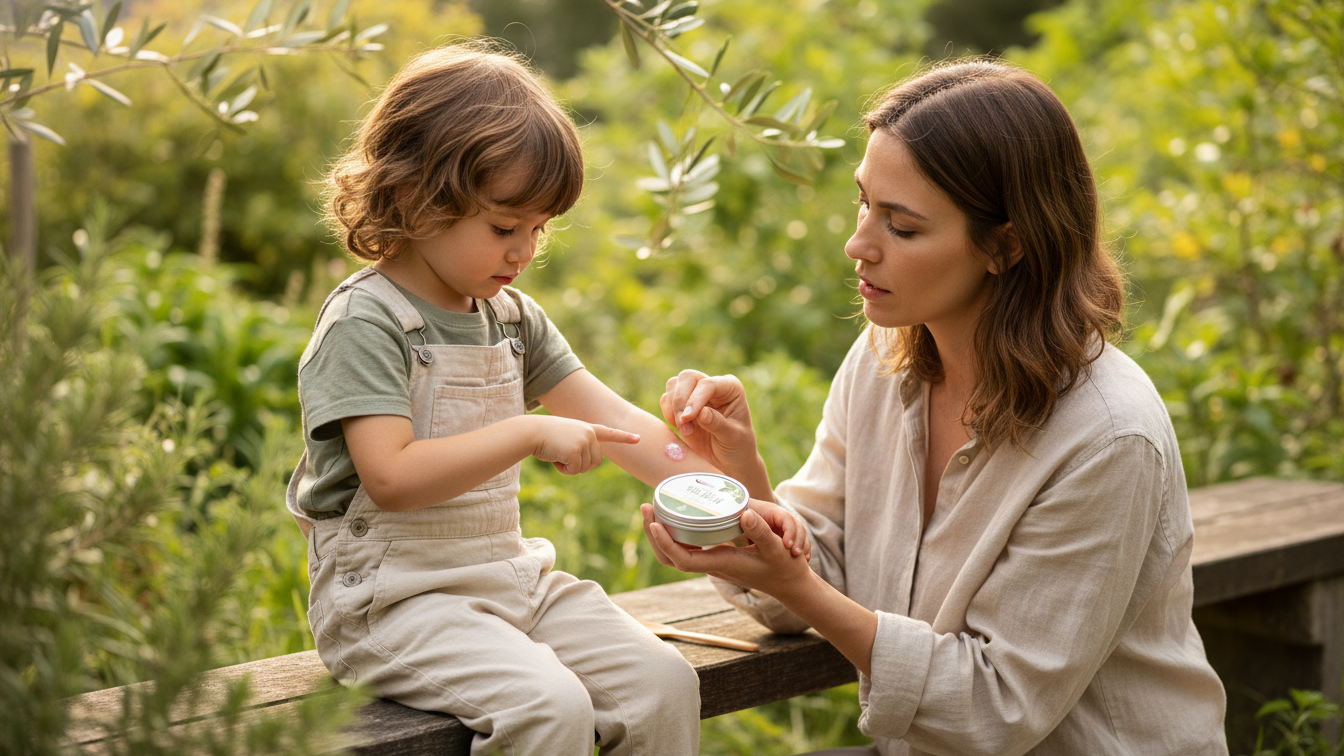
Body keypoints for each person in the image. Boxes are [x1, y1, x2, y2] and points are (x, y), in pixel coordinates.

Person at [643, 60, 1230, 756]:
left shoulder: (1108, 436)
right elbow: (809, 578)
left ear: (1006, 245)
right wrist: (744, 487)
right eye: (864, 204)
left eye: (903, 227)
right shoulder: (884, 357)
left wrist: (797, 584)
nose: (858, 244)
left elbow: (993, 709)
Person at [285, 42, 806, 756]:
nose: (526, 250)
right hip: (391, 604)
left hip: (506, 580)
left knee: (663, 684)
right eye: (505, 227)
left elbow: (620, 422)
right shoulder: (365, 323)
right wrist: (528, 435)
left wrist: (734, 500)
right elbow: (392, 477)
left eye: (539, 228)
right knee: (549, 707)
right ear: (413, 197)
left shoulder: (511, 320)